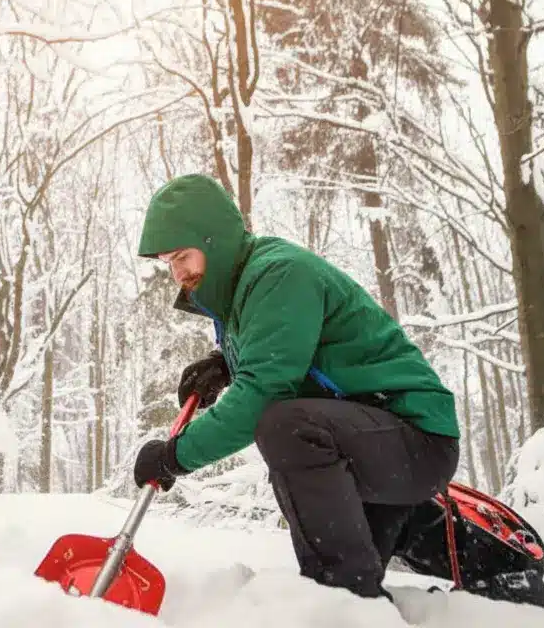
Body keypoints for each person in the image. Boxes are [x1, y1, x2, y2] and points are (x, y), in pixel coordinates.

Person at [129, 173, 461, 600]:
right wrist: (222, 365)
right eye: (168, 263)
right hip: (371, 440)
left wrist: (175, 455)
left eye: (183, 256)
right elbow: (289, 353)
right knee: (291, 431)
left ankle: (342, 598)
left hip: (414, 436)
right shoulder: (245, 291)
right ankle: (364, 588)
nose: (178, 273)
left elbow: (264, 391)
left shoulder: (278, 273)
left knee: (284, 425)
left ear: (213, 240)